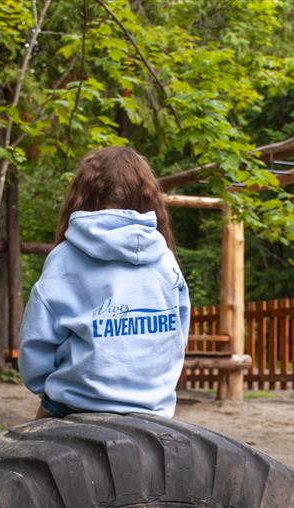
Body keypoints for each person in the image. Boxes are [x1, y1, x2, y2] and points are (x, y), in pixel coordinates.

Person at [18, 146, 190, 419]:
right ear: (147, 199)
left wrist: (46, 386)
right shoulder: (165, 260)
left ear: (82, 197)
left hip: (73, 406)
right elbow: (178, 340)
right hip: (153, 409)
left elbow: (36, 344)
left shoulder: (64, 259)